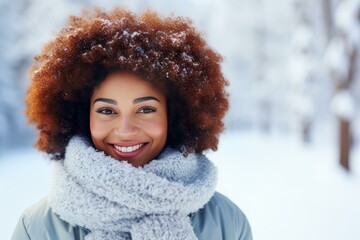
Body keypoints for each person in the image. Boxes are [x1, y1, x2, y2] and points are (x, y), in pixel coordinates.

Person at [12, 6, 252, 240]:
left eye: (145, 109)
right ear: (82, 117)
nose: (125, 130)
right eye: (107, 110)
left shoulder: (227, 223)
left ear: (175, 115)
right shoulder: (36, 230)